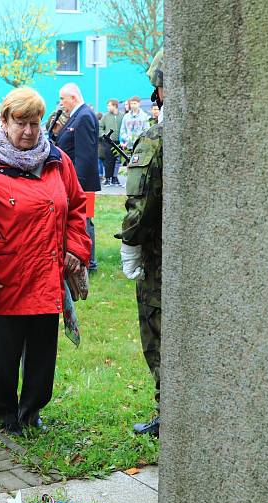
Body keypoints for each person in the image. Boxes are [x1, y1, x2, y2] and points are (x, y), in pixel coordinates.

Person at [0, 87, 90, 435]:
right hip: (2, 276)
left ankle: (31, 410)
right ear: (3, 121)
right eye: (20, 122)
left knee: (41, 352)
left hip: (46, 273)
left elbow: (77, 207)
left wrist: (77, 248)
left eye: (35, 123)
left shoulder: (57, 161)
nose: (28, 131)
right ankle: (0, 414)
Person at [119, 49, 164, 438]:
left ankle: (169, 412)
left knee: (159, 331)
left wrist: (130, 241)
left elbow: (141, 201)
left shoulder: (156, 138)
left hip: (160, 258)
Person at [55, 82, 100, 272]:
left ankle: (90, 261)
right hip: (74, 180)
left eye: (62, 99)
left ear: (73, 98)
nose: (61, 103)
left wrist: (78, 187)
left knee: (85, 219)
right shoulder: (77, 116)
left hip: (81, 182)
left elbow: (85, 155)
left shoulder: (84, 117)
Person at [100, 98, 125, 186]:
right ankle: (108, 178)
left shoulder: (122, 116)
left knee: (117, 161)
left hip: (118, 142)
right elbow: (100, 127)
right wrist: (103, 135)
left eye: (109, 105)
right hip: (108, 142)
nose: (108, 107)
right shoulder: (105, 116)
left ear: (115, 106)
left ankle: (115, 177)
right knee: (108, 160)